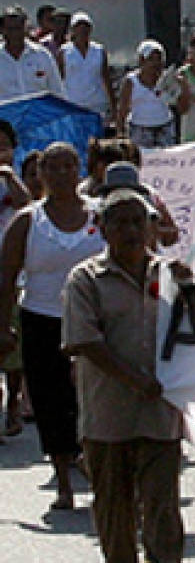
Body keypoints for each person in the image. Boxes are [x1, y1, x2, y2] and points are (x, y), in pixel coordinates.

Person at [61, 177, 187, 563]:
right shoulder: (85, 279)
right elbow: (84, 342)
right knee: (115, 513)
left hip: (160, 415)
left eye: (137, 222)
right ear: (102, 229)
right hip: (108, 418)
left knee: (163, 511)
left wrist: (192, 291)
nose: (130, 231)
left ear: (152, 226)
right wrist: (136, 380)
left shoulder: (172, 276)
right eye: (119, 223)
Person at [0, 142, 105, 510]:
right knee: (50, 400)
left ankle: (94, 466)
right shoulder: (29, 222)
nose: (62, 174)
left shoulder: (99, 215)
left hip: (93, 321)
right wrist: (3, 327)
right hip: (41, 320)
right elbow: (8, 277)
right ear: (41, 175)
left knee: (90, 399)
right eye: (53, 168)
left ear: (79, 170)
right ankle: (63, 480)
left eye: (68, 166)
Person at [0, 120, 30, 437]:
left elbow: (28, 207)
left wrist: (9, 176)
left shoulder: (19, 179)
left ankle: (13, 407)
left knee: (13, 347)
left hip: (14, 277)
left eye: (4, 145)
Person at [116, 39, 190, 148]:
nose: (155, 63)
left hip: (164, 129)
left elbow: (181, 108)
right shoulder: (131, 81)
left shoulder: (169, 80)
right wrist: (120, 132)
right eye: (151, 59)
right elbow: (123, 109)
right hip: (139, 129)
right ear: (142, 61)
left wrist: (184, 89)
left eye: (158, 59)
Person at [59, 11, 115, 123]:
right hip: (73, 103)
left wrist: (113, 104)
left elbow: (106, 77)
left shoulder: (99, 50)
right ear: (73, 30)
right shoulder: (64, 51)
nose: (82, 30)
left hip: (97, 103)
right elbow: (59, 78)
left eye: (85, 27)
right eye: (78, 27)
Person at [0, 5, 64, 101]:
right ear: (2, 30)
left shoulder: (42, 55)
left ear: (25, 28)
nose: (15, 33)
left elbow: (57, 92)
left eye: (18, 28)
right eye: (10, 29)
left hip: (38, 114)